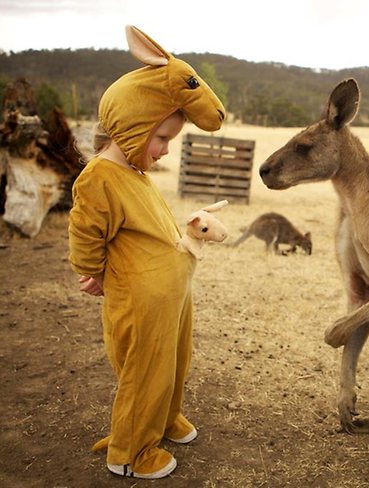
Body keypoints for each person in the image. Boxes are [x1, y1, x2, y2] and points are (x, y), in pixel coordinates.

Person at [68, 26, 226, 479]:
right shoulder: (100, 176)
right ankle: (131, 453)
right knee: (145, 372)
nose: (164, 151)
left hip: (171, 296)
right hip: (141, 300)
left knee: (174, 361)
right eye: (162, 139)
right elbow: (85, 233)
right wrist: (92, 273)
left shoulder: (134, 172)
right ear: (135, 127)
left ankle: (163, 418)